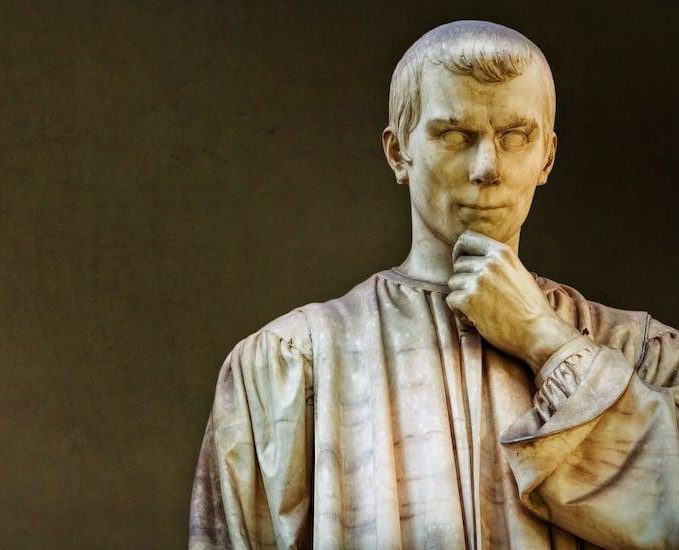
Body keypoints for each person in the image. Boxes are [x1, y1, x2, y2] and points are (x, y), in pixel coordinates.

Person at [189, 20, 679, 549]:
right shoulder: (294, 363)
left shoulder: (640, 354)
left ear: (547, 157)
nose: (488, 168)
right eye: (455, 136)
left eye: (515, 137)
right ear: (398, 152)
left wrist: (545, 339)